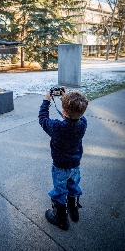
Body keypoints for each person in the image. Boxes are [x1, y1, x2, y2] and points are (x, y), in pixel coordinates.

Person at [38, 87, 88, 231]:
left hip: (60, 167)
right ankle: (73, 210)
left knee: (59, 190)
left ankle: (61, 218)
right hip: (75, 166)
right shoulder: (83, 123)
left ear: (64, 111)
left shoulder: (57, 127)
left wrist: (47, 100)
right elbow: (74, 114)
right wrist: (67, 98)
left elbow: (42, 118)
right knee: (73, 186)